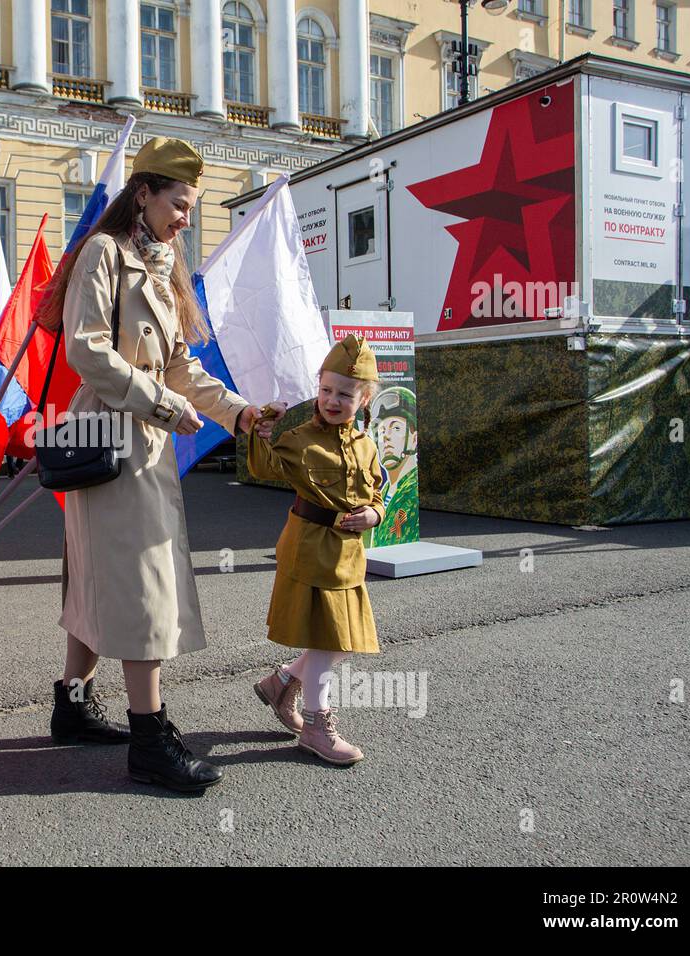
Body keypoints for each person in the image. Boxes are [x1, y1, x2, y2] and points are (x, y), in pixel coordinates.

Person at [35, 136, 268, 792]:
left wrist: (242, 415)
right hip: (112, 444)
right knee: (142, 590)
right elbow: (87, 353)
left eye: (191, 207)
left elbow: (181, 368)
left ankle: (72, 708)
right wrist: (165, 407)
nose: (187, 216)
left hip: (137, 447)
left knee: (93, 583)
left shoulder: (160, 268)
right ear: (144, 193)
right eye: (180, 202)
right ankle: (150, 738)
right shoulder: (104, 255)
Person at [246, 334, 384, 765]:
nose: (332, 399)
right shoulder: (301, 438)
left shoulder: (366, 444)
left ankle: (283, 681)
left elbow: (378, 491)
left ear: (363, 399)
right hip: (309, 552)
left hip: (347, 556)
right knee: (329, 641)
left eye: (344, 393)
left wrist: (374, 516)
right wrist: (262, 429)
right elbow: (263, 465)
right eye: (326, 389)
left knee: (343, 641)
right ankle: (316, 726)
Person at [367, 387, 418, 547]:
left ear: (414, 439)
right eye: (381, 431)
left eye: (396, 428)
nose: (386, 437)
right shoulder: (381, 492)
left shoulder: (411, 493)